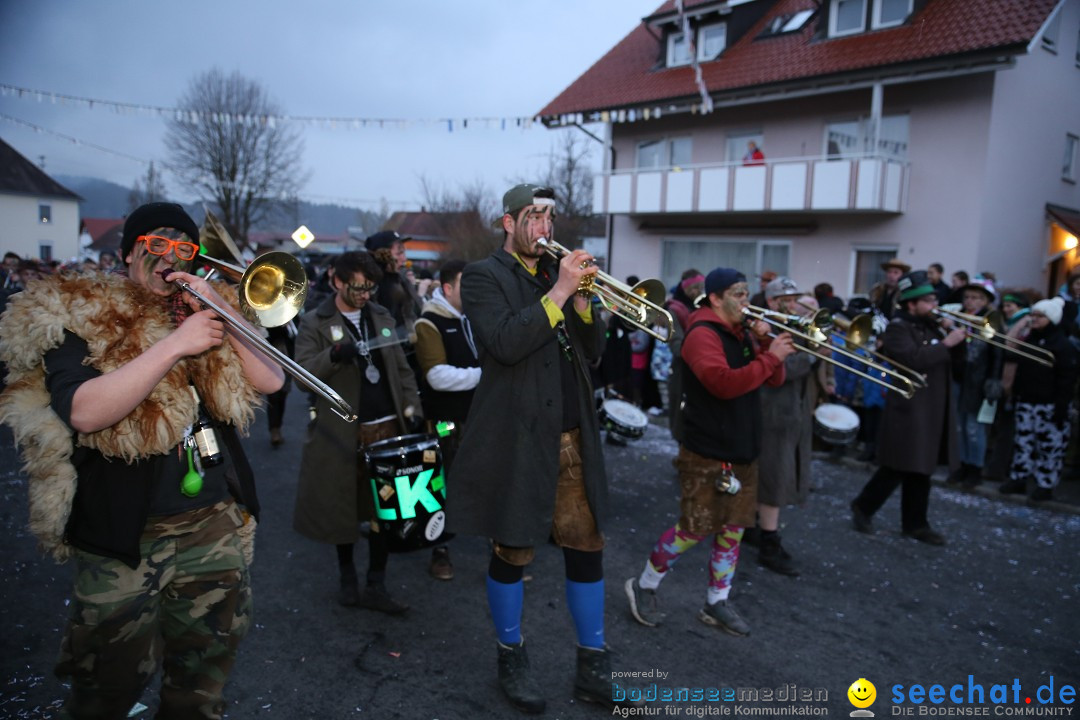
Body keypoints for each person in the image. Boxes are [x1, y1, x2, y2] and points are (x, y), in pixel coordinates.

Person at [0, 202, 284, 718]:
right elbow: (83, 412)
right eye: (156, 246)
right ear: (128, 251)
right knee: (105, 687)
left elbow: (273, 380)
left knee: (202, 681)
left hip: (211, 525)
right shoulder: (80, 312)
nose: (168, 258)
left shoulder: (202, 307)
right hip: (125, 535)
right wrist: (175, 345)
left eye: (183, 249)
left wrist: (222, 313)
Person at [450, 183, 619, 713]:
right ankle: (511, 655)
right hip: (518, 436)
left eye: (550, 217)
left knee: (587, 545)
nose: (545, 227)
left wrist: (587, 303)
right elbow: (504, 343)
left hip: (572, 436)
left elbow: (591, 354)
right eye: (534, 216)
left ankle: (592, 663)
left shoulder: (556, 275)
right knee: (513, 547)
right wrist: (563, 292)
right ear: (508, 222)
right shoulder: (484, 276)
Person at [625, 267, 793, 636]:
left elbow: (775, 379)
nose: (746, 302)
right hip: (707, 450)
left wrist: (767, 346)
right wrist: (770, 358)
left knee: (732, 530)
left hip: (742, 448)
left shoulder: (743, 331)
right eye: (738, 294)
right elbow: (722, 384)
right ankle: (645, 585)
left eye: (747, 294)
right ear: (715, 298)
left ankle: (717, 601)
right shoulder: (701, 335)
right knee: (695, 528)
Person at [293, 250, 421, 614]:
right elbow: (303, 378)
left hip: (386, 430)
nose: (365, 295)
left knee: (387, 511)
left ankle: (377, 583)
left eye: (370, 288)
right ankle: (347, 576)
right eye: (358, 288)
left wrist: (412, 410)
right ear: (336, 281)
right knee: (343, 508)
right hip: (342, 434)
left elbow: (402, 370)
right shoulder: (314, 322)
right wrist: (334, 354)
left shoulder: (380, 315)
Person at [850, 271, 966, 546]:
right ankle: (865, 507)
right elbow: (911, 359)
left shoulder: (931, 326)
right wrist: (946, 343)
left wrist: (953, 338)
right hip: (911, 406)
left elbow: (955, 363)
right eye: (928, 301)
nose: (934, 306)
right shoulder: (898, 327)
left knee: (919, 466)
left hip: (932, 406)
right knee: (901, 465)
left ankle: (915, 523)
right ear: (912, 304)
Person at [413, 258, 480, 581]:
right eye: (465, 284)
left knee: (481, 478)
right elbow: (437, 376)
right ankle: (439, 551)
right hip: (444, 420)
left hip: (474, 416)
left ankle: (501, 548)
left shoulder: (467, 317)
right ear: (447, 288)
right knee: (441, 482)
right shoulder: (429, 322)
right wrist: (486, 376)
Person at [754, 277, 820, 576]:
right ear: (771, 302)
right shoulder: (762, 330)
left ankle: (753, 529)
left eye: (795, 298)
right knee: (774, 477)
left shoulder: (793, 326)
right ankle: (769, 542)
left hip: (795, 412)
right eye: (787, 300)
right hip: (773, 415)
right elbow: (783, 368)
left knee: (781, 473)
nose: (793, 305)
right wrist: (811, 355)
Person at [999, 297, 1078, 501]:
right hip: (1027, 399)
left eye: (1039, 316)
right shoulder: (1030, 339)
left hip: (1050, 403)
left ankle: (1045, 484)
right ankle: (1019, 478)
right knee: (1022, 442)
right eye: (1032, 314)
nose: (1033, 319)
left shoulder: (1063, 345)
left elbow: (1067, 379)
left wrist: (1061, 406)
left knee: (1050, 446)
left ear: (1051, 318)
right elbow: (1012, 353)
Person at [947, 275, 1002, 487]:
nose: (970, 301)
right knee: (959, 425)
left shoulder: (991, 319)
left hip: (979, 382)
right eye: (967, 297)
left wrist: (994, 380)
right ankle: (961, 464)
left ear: (986, 301)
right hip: (958, 377)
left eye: (976, 298)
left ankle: (975, 468)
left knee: (974, 427)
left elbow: (997, 354)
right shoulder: (958, 317)